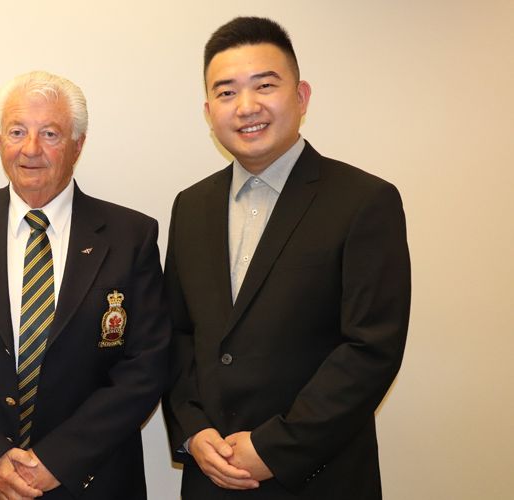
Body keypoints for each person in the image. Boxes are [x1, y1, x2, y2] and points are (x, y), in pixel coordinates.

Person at [162, 17, 411, 499]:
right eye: (227, 92)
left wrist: (276, 447)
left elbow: (371, 348)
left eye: (265, 85)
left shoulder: (364, 201)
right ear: (209, 111)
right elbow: (177, 332)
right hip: (211, 476)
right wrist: (193, 429)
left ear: (301, 97)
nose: (246, 106)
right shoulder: (189, 206)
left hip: (319, 476)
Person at [0, 71, 169, 499]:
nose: (30, 149)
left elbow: (146, 366)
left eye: (50, 133)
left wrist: (58, 461)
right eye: (17, 132)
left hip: (93, 480)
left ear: (78, 145)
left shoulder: (131, 235)